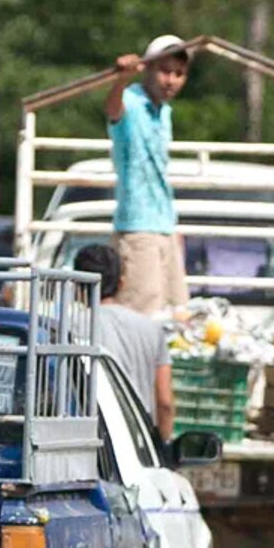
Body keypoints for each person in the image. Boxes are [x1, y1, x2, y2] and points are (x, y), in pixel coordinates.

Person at [107, 34, 194, 318]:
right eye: (165, 71)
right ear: (149, 69)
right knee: (141, 316)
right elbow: (113, 111)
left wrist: (172, 227)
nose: (171, 80)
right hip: (138, 228)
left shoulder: (165, 111)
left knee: (178, 314)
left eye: (179, 74)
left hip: (164, 224)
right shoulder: (130, 99)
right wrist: (121, 79)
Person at [78, 242, 174, 442]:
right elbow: (164, 402)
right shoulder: (151, 329)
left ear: (76, 283)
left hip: (84, 438)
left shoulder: (63, 329)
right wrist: (162, 449)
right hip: (137, 441)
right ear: (121, 283)